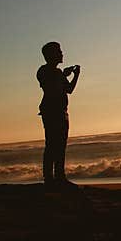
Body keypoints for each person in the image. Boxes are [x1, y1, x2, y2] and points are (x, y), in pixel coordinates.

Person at [37, 41, 80, 188]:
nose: (62, 54)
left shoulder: (54, 73)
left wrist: (73, 76)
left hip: (60, 112)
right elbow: (54, 89)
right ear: (51, 55)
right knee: (52, 145)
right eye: (59, 51)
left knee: (59, 145)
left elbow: (68, 89)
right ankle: (50, 178)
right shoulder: (45, 71)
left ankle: (58, 176)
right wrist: (65, 75)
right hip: (52, 112)